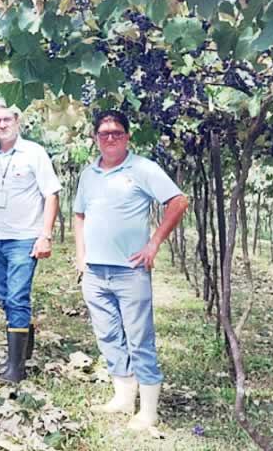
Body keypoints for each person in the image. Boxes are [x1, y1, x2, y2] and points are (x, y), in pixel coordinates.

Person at [73, 110, 188, 430]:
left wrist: (153, 244)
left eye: (117, 133)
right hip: (95, 272)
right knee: (108, 335)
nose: (110, 138)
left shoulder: (142, 168)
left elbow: (178, 201)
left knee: (139, 339)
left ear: (127, 137)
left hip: (130, 271)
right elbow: (79, 214)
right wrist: (81, 256)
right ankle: (123, 398)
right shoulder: (88, 174)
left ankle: (149, 410)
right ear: (95, 138)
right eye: (104, 133)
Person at [0, 99, 61, 383]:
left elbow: (51, 194)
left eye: (7, 119)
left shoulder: (34, 153)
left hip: (24, 239)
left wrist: (45, 235)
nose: (2, 125)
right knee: (5, 298)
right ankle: (20, 355)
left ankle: (15, 368)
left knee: (17, 297)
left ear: (17, 121)